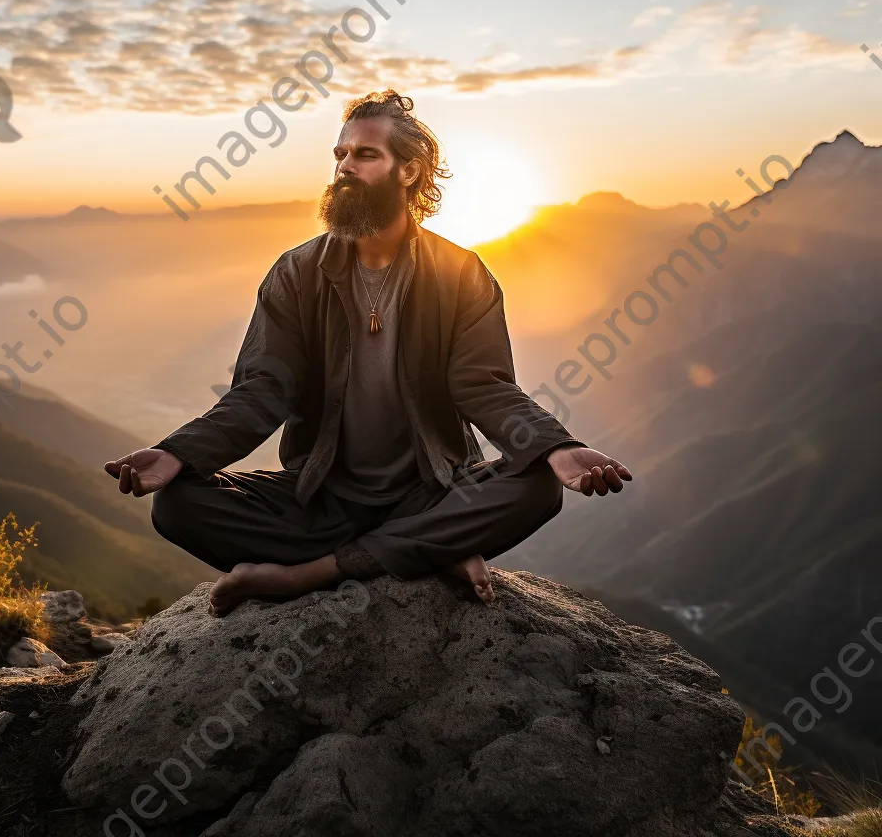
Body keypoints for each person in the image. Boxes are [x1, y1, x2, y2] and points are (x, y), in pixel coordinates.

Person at [105, 90, 631, 616]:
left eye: (365, 155)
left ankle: (307, 574)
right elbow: (263, 391)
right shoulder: (296, 273)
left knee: (537, 485)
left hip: (434, 489)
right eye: (340, 155)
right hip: (323, 499)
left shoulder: (460, 273)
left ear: (410, 171)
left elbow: (484, 386)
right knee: (177, 503)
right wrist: (178, 453)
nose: (345, 167)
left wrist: (556, 447)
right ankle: (426, 551)